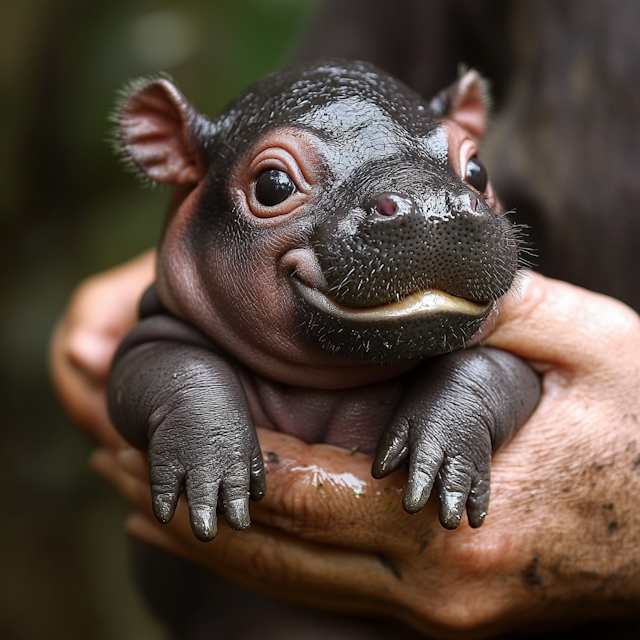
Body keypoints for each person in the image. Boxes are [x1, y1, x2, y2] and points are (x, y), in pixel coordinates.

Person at [50, 0, 640, 637]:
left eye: (467, 175)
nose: (434, 209)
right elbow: (152, 360)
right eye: (276, 185)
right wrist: (188, 398)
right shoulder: (201, 322)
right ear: (170, 152)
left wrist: (471, 398)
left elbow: (502, 367)